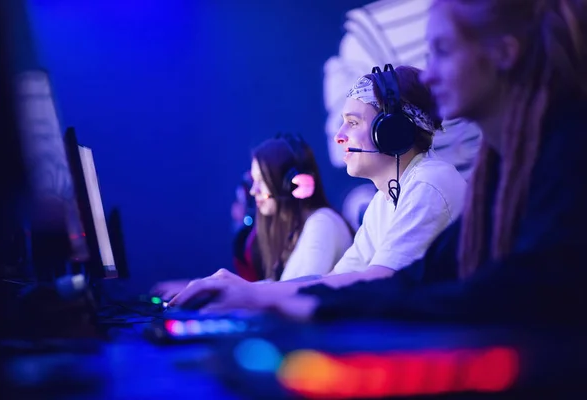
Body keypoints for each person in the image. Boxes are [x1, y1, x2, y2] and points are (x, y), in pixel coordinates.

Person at [222, 0, 587, 324]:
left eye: (442, 50)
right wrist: (262, 296)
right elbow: (414, 279)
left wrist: (280, 301)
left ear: (504, 53)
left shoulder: (565, 158)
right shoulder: (497, 176)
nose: (429, 74)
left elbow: (498, 293)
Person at [168, 65, 468, 310]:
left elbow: (381, 279)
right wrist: (245, 289)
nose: (339, 136)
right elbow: (338, 278)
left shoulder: (430, 181)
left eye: (353, 122)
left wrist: (254, 296)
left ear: (391, 131)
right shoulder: (384, 201)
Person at [151, 133, 353, 299]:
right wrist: (198, 286)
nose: (254, 190)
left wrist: (227, 290)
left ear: (292, 183)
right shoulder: (297, 230)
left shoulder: (323, 222)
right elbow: (279, 287)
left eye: (261, 180)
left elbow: (297, 291)